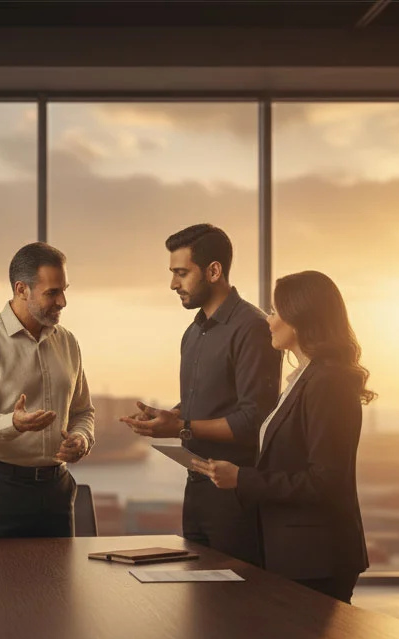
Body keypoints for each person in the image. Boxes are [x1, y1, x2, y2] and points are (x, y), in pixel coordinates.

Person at [189, 270, 372, 603]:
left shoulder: (327, 382)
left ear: (300, 318)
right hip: (295, 553)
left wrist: (241, 478)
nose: (268, 321)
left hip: (316, 557)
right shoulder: (303, 379)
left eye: (274, 311)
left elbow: (324, 480)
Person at [120, 224, 280, 565]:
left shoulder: (253, 328)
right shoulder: (192, 333)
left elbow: (253, 419)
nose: (173, 284)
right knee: (197, 592)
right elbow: (207, 401)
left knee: (238, 594)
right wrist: (171, 416)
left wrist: (181, 427)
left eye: (181, 273)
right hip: (196, 490)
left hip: (235, 496)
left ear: (213, 271)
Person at [0, 242, 96, 538]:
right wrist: (13, 423)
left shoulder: (68, 342)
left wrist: (81, 439)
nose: (63, 301)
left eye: (64, 290)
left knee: (59, 572)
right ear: (21, 289)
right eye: (52, 293)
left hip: (56, 492)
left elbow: (83, 411)